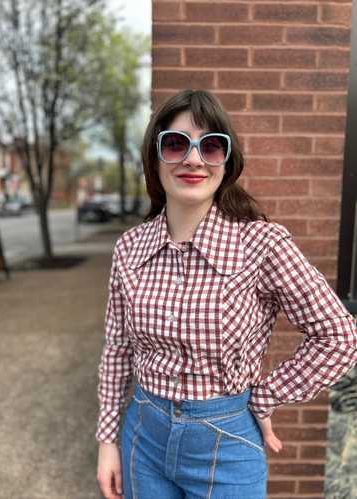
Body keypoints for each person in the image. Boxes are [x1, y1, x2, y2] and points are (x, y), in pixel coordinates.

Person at [96, 89, 357, 499]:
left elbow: (339, 336)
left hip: (228, 443)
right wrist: (107, 439)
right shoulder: (129, 248)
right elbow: (117, 349)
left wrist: (266, 397)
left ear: (226, 160)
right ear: (155, 155)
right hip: (142, 439)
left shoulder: (261, 244)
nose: (194, 159)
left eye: (211, 146)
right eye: (176, 144)